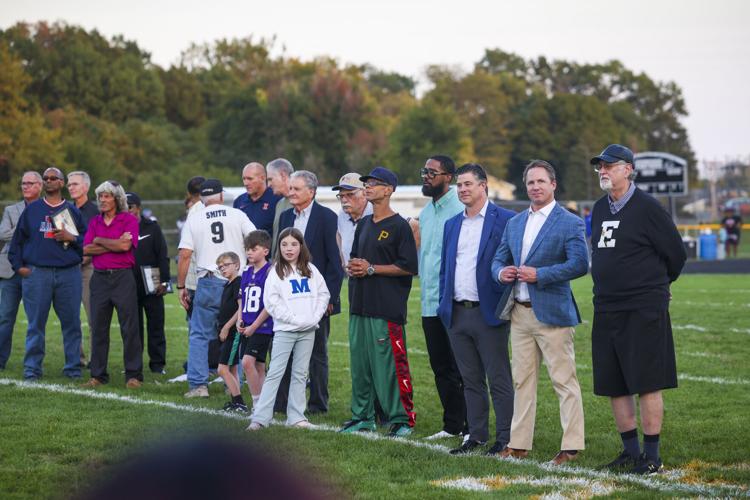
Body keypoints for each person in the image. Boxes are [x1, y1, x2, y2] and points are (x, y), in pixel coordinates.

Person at [589, 144, 687, 474]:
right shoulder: (600, 208)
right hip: (606, 307)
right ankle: (630, 451)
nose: (603, 171)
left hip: (643, 307)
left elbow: (676, 254)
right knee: (614, 382)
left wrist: (658, 288)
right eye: (599, 166)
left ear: (628, 169)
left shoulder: (648, 208)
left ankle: (652, 455)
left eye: (609, 166)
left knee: (647, 381)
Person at [491, 159, 589, 465]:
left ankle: (571, 446)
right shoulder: (515, 222)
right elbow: (497, 259)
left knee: (563, 380)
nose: (535, 187)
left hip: (553, 314)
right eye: (530, 182)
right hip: (519, 313)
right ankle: (518, 444)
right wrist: (501, 272)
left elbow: (579, 264)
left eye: (541, 182)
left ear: (553, 184)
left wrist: (541, 274)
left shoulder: (569, 221)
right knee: (523, 381)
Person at [438, 163, 515, 455]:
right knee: (470, 380)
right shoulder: (452, 224)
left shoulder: (506, 219)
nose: (462, 189)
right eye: (459, 185)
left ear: (483, 186)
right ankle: (477, 435)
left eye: (468, 184)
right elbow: (447, 268)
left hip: (489, 313)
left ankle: (505, 438)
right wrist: (445, 306)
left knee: (498, 379)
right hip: (457, 314)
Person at [340, 166, 418, 438]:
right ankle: (362, 417)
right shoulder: (363, 224)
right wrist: (355, 267)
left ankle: (401, 419)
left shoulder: (400, 226)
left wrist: (372, 268)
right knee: (360, 366)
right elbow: (355, 258)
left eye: (375, 183)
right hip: (359, 305)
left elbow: (408, 266)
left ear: (389, 190)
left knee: (390, 367)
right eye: (367, 183)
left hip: (386, 309)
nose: (368, 187)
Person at [177, 179, 255, 398]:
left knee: (200, 334)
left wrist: (181, 285)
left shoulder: (195, 218)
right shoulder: (238, 215)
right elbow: (255, 240)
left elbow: (184, 254)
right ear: (221, 196)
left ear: (201, 198)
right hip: (237, 279)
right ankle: (234, 382)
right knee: (236, 331)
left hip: (209, 280)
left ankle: (199, 385)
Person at [247, 228, 330, 430]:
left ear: (301, 246)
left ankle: (296, 417)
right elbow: (271, 301)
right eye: (284, 244)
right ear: (279, 247)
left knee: (301, 373)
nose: (289, 249)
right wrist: (293, 319)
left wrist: (313, 317)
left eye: (293, 244)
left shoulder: (311, 269)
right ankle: (260, 418)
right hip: (285, 329)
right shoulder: (275, 271)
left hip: (308, 329)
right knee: (276, 371)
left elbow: (323, 294)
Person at [275, 170, 344, 414]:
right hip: (289, 297)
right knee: (284, 350)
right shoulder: (285, 217)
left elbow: (335, 264)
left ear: (311, 192)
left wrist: (331, 299)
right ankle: (282, 403)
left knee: (317, 353)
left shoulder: (327, 217)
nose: (290, 192)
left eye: (296, 189)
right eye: (290, 188)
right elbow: (279, 258)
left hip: (316, 299)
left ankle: (317, 404)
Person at [8, 167, 85, 380]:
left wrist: (72, 237)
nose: (49, 181)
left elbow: (86, 244)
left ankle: (73, 369)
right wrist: (18, 266)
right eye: (46, 178)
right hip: (38, 273)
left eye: (54, 178)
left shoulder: (72, 211)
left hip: (68, 274)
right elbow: (17, 242)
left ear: (61, 183)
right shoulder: (32, 210)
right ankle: (32, 369)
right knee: (35, 325)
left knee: (71, 324)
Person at [417, 155, 467, 440]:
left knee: (464, 367)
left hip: (454, 302)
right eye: (424, 171)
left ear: (448, 176)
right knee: (441, 367)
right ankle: (452, 425)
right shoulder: (425, 213)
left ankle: (473, 426)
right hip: (429, 302)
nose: (426, 176)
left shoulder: (461, 208)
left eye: (432, 172)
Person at [80, 181, 142, 389]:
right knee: (98, 327)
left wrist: (100, 240)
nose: (103, 200)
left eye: (107, 196)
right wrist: (111, 243)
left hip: (123, 278)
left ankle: (133, 375)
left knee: (130, 327)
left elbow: (126, 245)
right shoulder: (95, 222)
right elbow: (87, 249)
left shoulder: (128, 220)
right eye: (100, 197)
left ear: (117, 199)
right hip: (99, 279)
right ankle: (97, 375)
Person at [0, 171, 43, 371]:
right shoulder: (11, 210)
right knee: (5, 317)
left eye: (30, 183)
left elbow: (47, 236)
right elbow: (3, 233)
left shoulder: (48, 208)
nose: (25, 186)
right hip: (10, 272)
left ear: (40, 186)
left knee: (35, 320)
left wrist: (21, 232)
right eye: (23, 183)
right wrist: (29, 228)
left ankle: (33, 364)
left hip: (36, 270)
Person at [126, 192, 170, 374]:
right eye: (124, 206)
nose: (127, 210)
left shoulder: (152, 227)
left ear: (138, 207)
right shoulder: (120, 227)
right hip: (128, 282)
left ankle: (158, 365)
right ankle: (134, 365)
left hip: (152, 280)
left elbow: (162, 254)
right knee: (133, 328)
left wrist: (165, 281)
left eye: (130, 206)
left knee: (156, 325)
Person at [237, 230, 274, 409]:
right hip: (247, 326)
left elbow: (269, 305)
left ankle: (257, 404)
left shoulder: (270, 271)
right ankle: (265, 405)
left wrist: (254, 326)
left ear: (265, 251)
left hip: (262, 326)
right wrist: (239, 319)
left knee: (247, 362)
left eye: (254, 249)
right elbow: (241, 298)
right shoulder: (246, 271)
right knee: (259, 365)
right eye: (247, 249)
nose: (249, 252)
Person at [67, 170, 99, 367]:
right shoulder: (65, 210)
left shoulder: (95, 212)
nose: (71, 187)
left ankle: (96, 360)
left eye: (75, 184)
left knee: (93, 317)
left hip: (89, 269)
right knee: (70, 317)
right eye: (69, 184)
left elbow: (97, 240)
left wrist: (86, 257)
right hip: (69, 268)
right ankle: (76, 359)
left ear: (86, 187)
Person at [213, 251, 246, 412]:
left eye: (226, 265)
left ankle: (239, 402)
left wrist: (227, 327)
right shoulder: (227, 284)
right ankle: (236, 401)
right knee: (232, 369)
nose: (223, 269)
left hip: (233, 332)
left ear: (237, 265)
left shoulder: (238, 282)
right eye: (220, 267)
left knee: (222, 369)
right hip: (226, 331)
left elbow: (241, 307)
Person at [333, 173, 372, 268]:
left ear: (364, 192)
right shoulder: (342, 214)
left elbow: (413, 225)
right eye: (341, 196)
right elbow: (339, 233)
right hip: (353, 277)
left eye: (350, 194)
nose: (344, 200)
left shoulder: (376, 211)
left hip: (375, 277)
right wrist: (343, 261)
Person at [233, 162, 281, 235]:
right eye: (244, 179)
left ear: (263, 178)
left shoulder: (276, 199)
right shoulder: (239, 201)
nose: (246, 183)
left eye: (250, 179)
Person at [266, 158, 294, 256]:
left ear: (283, 175)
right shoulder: (280, 204)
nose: (268, 185)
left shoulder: (301, 203)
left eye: (270, 179)